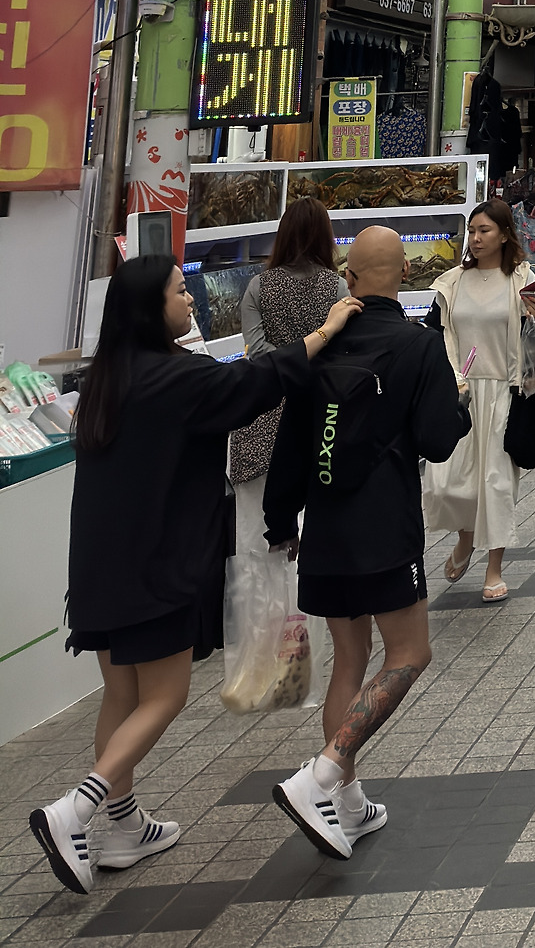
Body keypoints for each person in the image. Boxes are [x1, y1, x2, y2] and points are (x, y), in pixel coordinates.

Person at [30, 257, 358, 895]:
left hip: (98, 568)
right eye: (180, 292)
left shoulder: (107, 379)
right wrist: (323, 332)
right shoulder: (175, 377)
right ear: (151, 308)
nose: (191, 301)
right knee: (164, 696)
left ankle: (124, 827)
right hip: (156, 569)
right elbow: (253, 382)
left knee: (122, 696)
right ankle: (74, 810)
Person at [265, 225, 470, 858]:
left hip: (325, 528)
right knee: (410, 654)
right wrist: (458, 404)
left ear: (348, 278)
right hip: (386, 529)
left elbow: (290, 447)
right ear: (404, 275)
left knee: (348, 661)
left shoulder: (321, 344)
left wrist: (281, 523)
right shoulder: (419, 345)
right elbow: (437, 440)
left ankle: (347, 805)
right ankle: (321, 776)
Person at [421, 199, 535, 603]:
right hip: (460, 391)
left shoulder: (521, 278)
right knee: (446, 482)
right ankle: (466, 537)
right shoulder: (452, 282)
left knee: (496, 482)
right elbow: (435, 333)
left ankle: (494, 569)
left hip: (504, 391)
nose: (475, 239)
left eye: (484, 230)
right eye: (472, 231)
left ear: (505, 234)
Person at [228, 197, 347, 496]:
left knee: (260, 515)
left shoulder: (258, 286)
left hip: (262, 410)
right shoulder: (338, 287)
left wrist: (287, 365)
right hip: (320, 411)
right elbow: (342, 350)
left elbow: (256, 350)